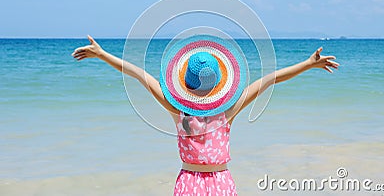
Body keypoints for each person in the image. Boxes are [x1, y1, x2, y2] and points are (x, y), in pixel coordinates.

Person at [72, 35, 339, 195]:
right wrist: (308, 64)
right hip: (203, 181)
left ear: (185, 82)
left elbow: (140, 74)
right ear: (220, 82)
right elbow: (269, 79)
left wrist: (103, 55)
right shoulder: (219, 111)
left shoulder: (181, 110)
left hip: (206, 181)